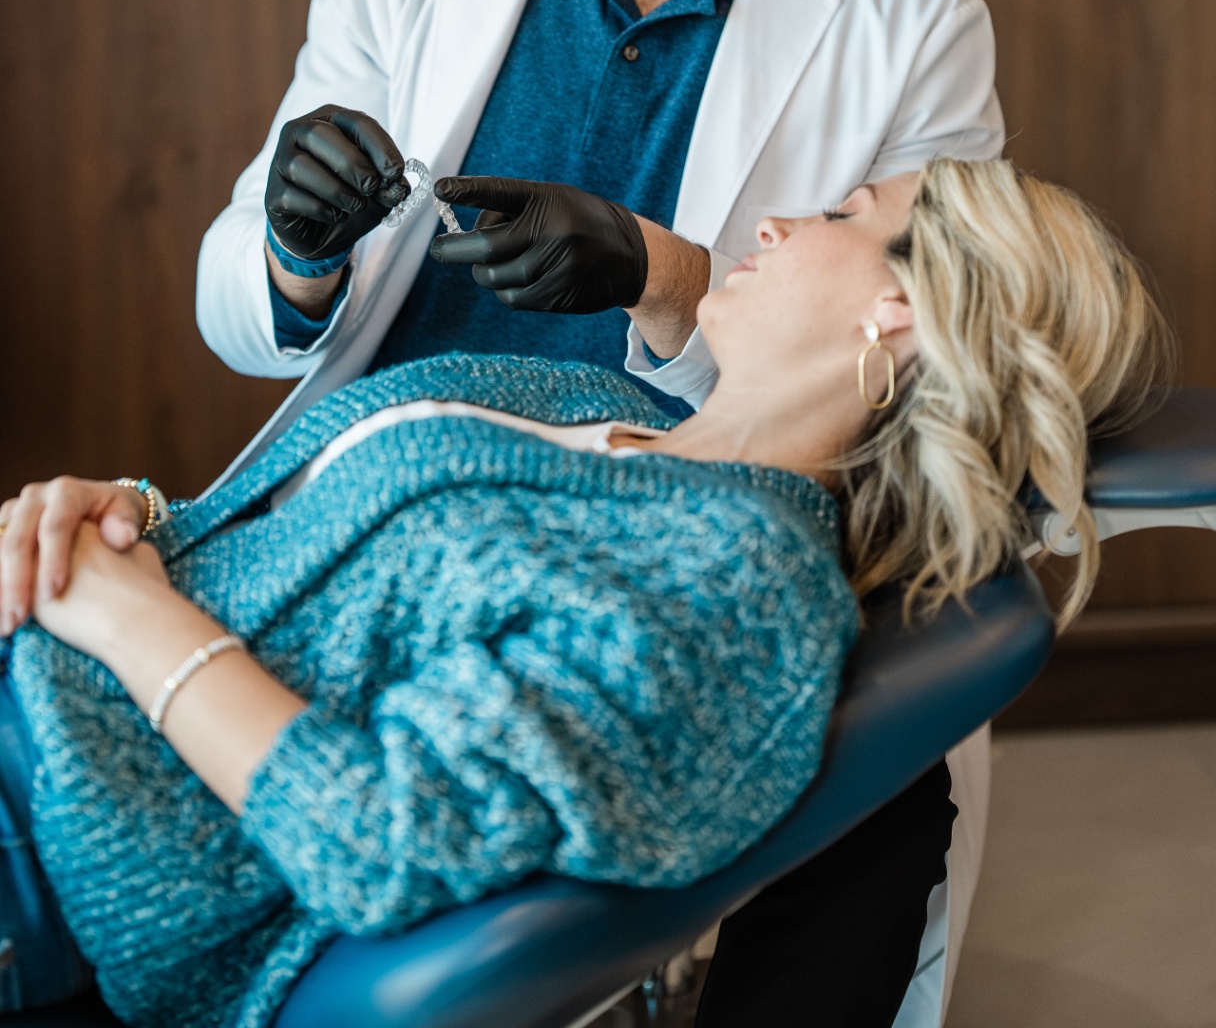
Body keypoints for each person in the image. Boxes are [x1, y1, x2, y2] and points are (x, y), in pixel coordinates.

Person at [196, 0, 1006, 1023]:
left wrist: (668, 277)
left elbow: (910, 381)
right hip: (396, 504)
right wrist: (297, 252)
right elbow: (245, 317)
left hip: (654, 542)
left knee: (867, 794)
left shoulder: (916, 34)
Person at [0, 161, 1169, 1024]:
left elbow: (387, 838)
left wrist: (122, 613)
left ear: (897, 314)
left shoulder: (741, 587)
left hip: (47, 824)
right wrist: (131, 516)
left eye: (843, 214)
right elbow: (291, 538)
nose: (772, 221)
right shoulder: (601, 410)